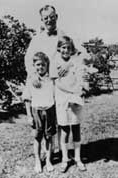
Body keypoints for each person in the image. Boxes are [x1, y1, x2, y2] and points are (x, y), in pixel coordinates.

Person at [53, 36, 87, 172]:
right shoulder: (55, 62)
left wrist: (80, 90)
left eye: (68, 48)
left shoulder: (76, 61)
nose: (66, 50)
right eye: (63, 47)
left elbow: (80, 77)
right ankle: (64, 159)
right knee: (65, 130)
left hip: (75, 99)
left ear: (72, 49)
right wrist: (73, 90)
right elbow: (57, 82)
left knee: (76, 129)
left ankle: (78, 158)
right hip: (62, 100)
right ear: (59, 49)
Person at [22, 52, 56, 173]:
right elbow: (27, 99)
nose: (40, 67)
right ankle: (37, 161)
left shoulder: (51, 80)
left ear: (47, 65)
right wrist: (29, 116)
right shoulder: (31, 80)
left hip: (50, 110)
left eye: (43, 65)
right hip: (36, 111)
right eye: (38, 64)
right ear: (34, 65)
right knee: (37, 138)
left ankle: (48, 160)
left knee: (49, 137)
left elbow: (55, 96)